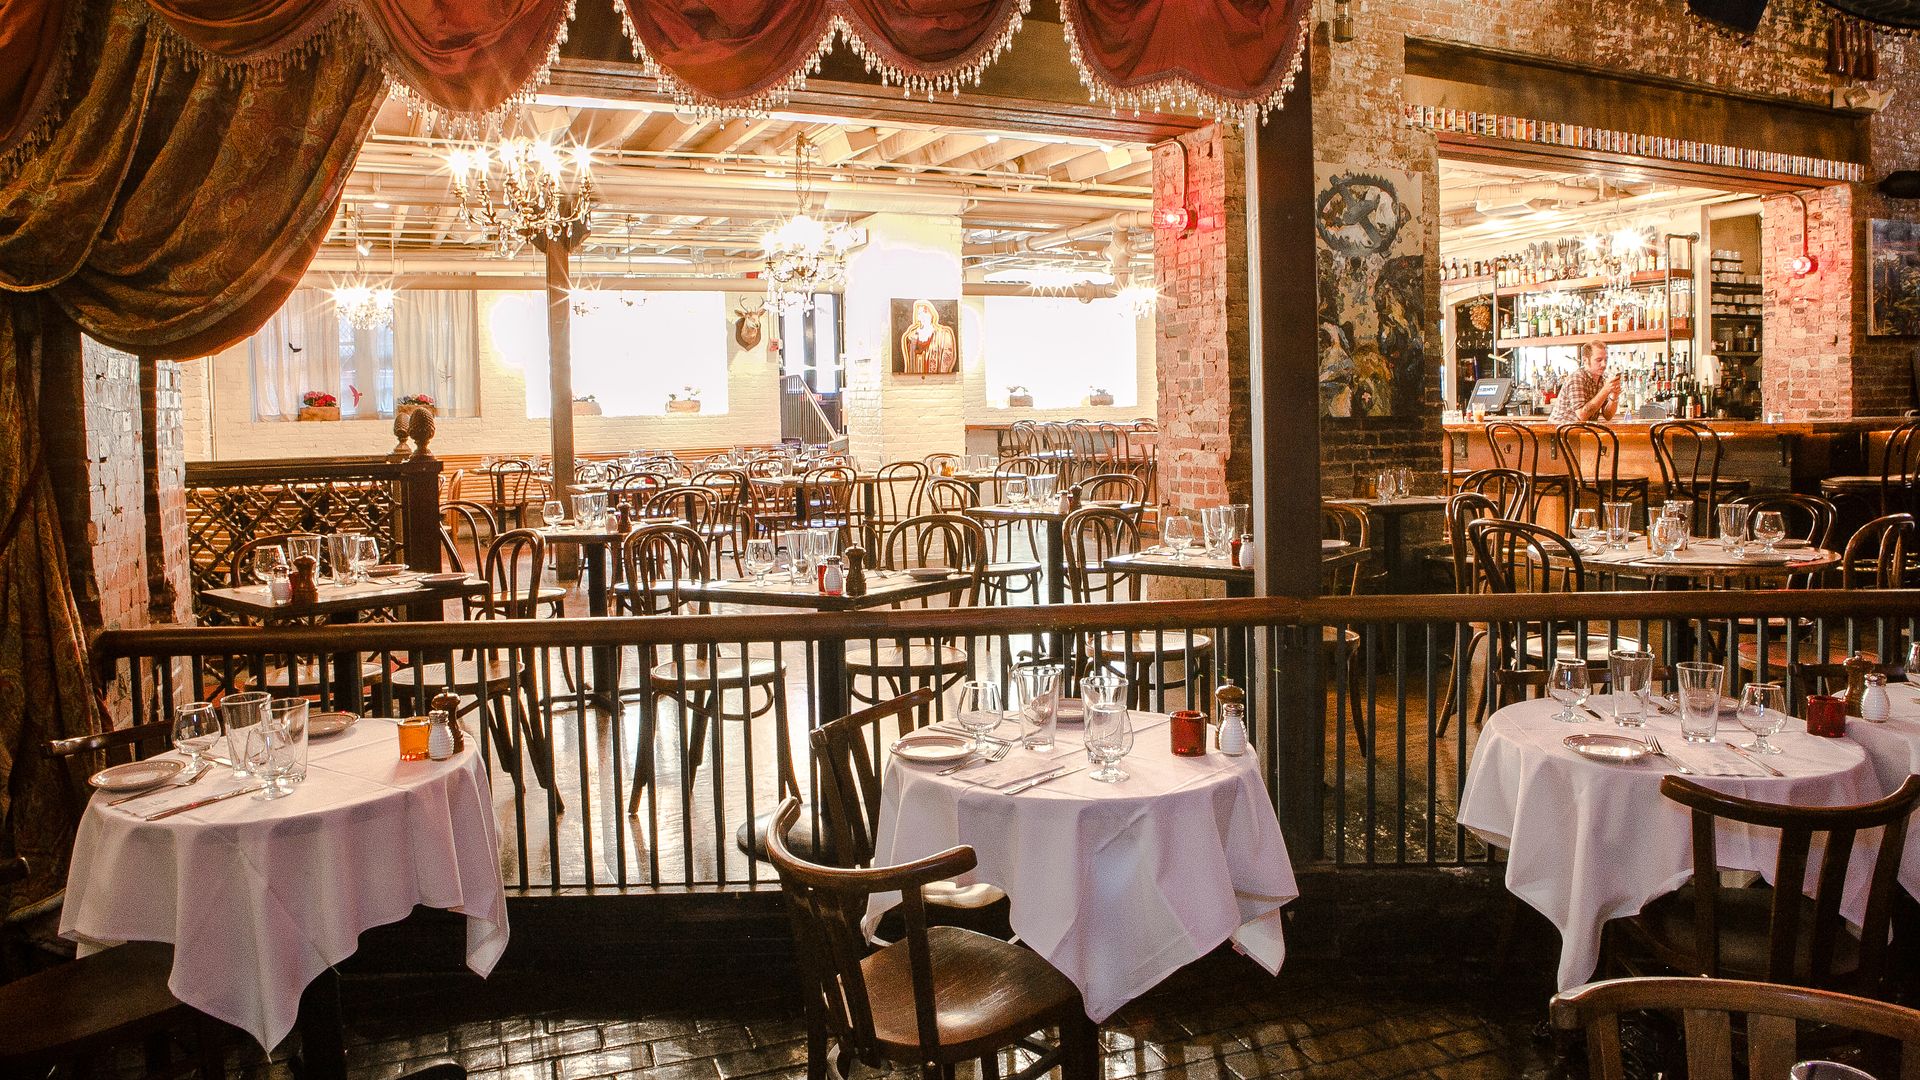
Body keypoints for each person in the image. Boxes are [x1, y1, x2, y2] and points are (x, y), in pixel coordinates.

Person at [1549, 341, 1621, 422]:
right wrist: (1605, 390)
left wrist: (1614, 396)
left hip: (1581, 431)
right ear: (1585, 360)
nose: (1604, 364)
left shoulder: (1602, 380)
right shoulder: (1577, 378)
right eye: (1599, 360)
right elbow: (1582, 415)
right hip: (1560, 431)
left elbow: (1608, 416)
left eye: (1606, 360)